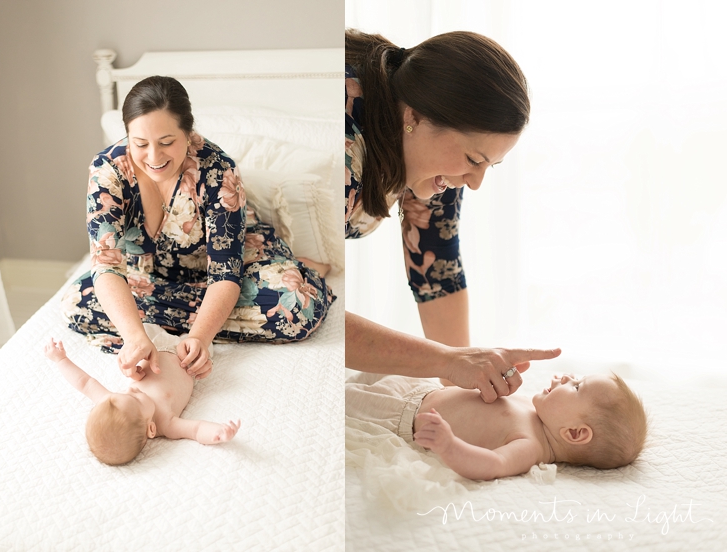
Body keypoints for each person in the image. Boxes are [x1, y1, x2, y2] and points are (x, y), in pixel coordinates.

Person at [62, 76, 334, 380]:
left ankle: (300, 271)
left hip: (231, 273)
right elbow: (106, 266)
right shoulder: (107, 172)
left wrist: (200, 338)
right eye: (140, 143)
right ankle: (172, 321)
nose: (154, 157)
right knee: (76, 301)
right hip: (152, 278)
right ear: (127, 135)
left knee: (296, 305)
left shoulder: (217, 169)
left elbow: (225, 274)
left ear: (188, 134)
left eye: (167, 143)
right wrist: (136, 338)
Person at [345, 29, 559, 398]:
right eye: (474, 159)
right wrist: (448, 362)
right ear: (414, 116)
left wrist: (466, 378)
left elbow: (436, 267)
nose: (475, 183)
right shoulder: (346, 150)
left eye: (488, 166)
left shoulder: (433, 158)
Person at [346, 371, 648, 480]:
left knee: (338, 401)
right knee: (369, 366)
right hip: (419, 388)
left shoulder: (530, 446)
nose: (566, 376)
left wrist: (450, 445)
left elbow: (492, 464)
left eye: (577, 386)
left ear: (575, 433)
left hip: (401, 415)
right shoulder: (537, 413)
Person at [44, 325, 241, 466]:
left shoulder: (113, 403)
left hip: (153, 347)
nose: (131, 389)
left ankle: (167, 324)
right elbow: (196, 429)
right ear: (151, 428)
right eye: (135, 398)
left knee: (143, 327)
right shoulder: (167, 424)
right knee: (206, 344)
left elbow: (84, 383)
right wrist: (219, 434)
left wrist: (60, 360)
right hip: (188, 357)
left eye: (124, 392)